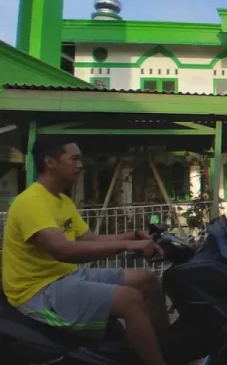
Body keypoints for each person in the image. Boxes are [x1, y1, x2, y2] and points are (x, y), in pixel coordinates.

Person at [1, 138, 169, 365]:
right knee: (130, 300)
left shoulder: (62, 201)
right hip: (38, 290)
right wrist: (127, 245)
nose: (80, 165)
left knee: (147, 280)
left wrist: (134, 235)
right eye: (74, 159)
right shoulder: (30, 202)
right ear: (50, 162)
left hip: (66, 276)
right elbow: (63, 250)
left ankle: (163, 349)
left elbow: (92, 239)